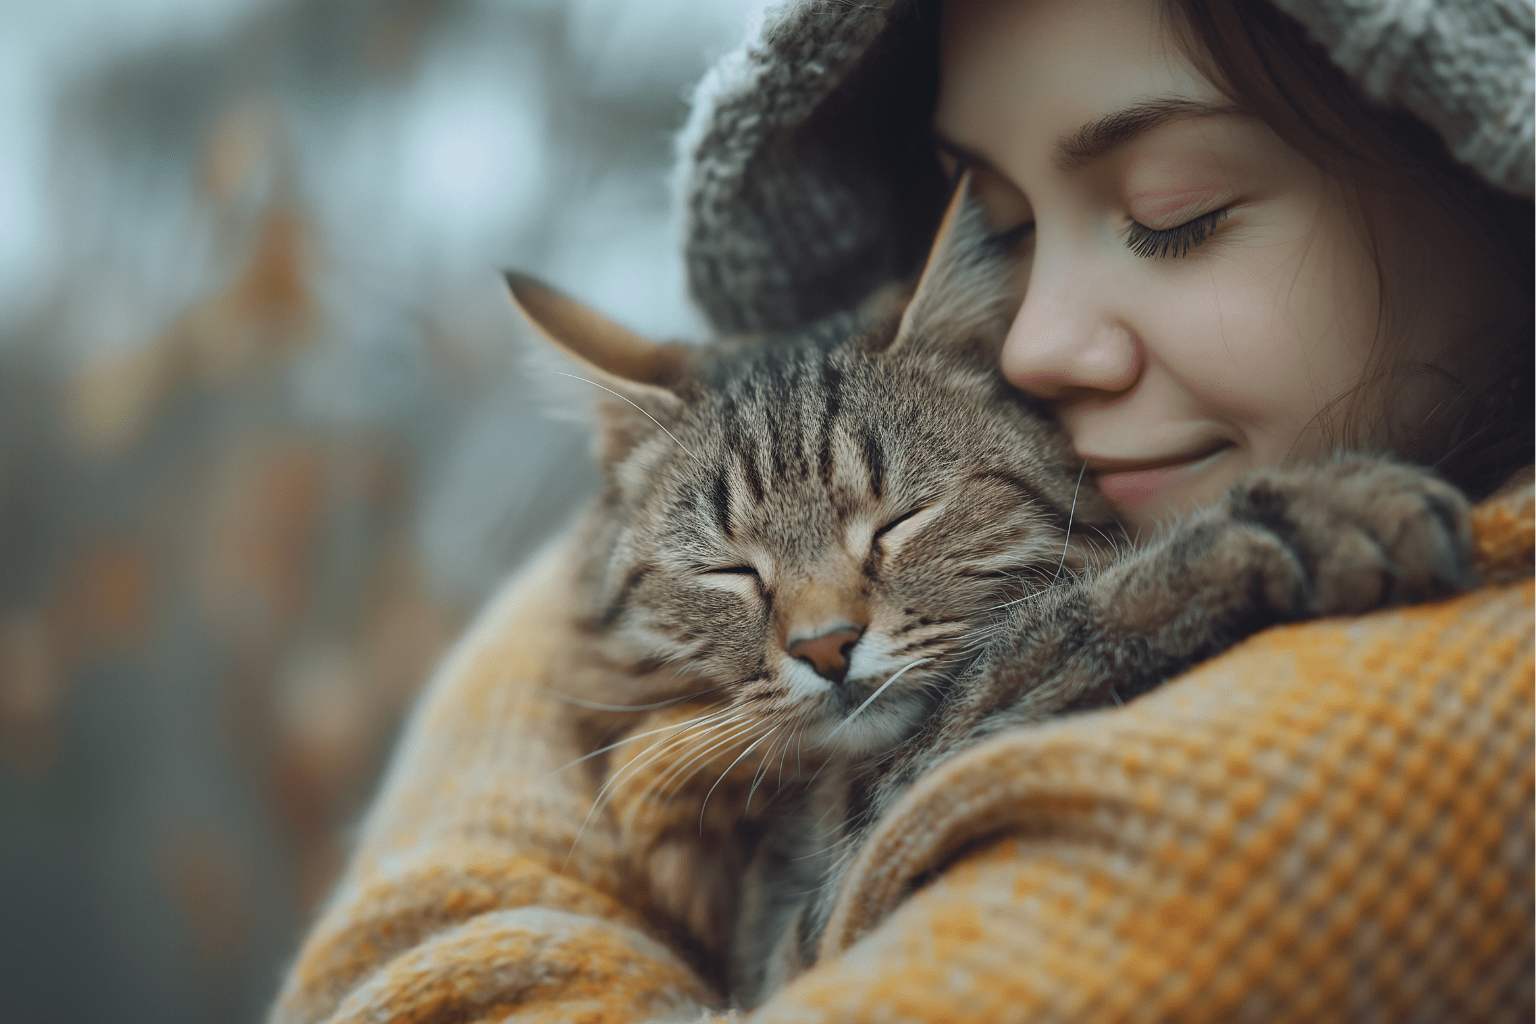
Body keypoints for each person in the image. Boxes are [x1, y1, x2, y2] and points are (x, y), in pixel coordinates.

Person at [268, 1, 1533, 1020]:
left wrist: (500, 748)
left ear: (1477, 148)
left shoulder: (1452, 725)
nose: (1029, 349)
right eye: (998, 226)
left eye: (1172, 215)